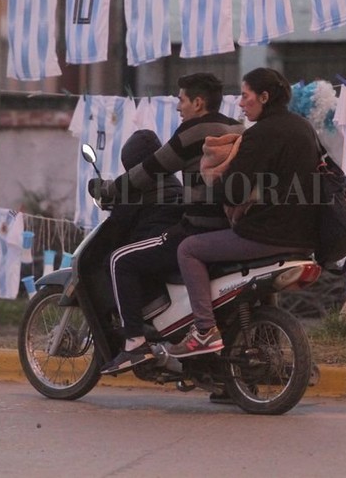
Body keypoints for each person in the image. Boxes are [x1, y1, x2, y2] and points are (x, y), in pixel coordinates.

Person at [89, 73, 244, 375]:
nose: (177, 107)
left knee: (120, 260)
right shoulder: (237, 128)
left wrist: (108, 190)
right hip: (231, 230)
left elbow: (150, 169)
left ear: (198, 102)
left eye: (181, 100)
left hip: (198, 229)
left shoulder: (192, 132)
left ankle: (134, 344)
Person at [165, 67, 319, 358]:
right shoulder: (304, 128)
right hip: (304, 236)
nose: (240, 103)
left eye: (246, 96)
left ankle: (204, 331)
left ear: (264, 97)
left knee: (188, 249)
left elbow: (234, 190)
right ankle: (270, 349)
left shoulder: (260, 134)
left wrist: (209, 183)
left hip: (267, 234)